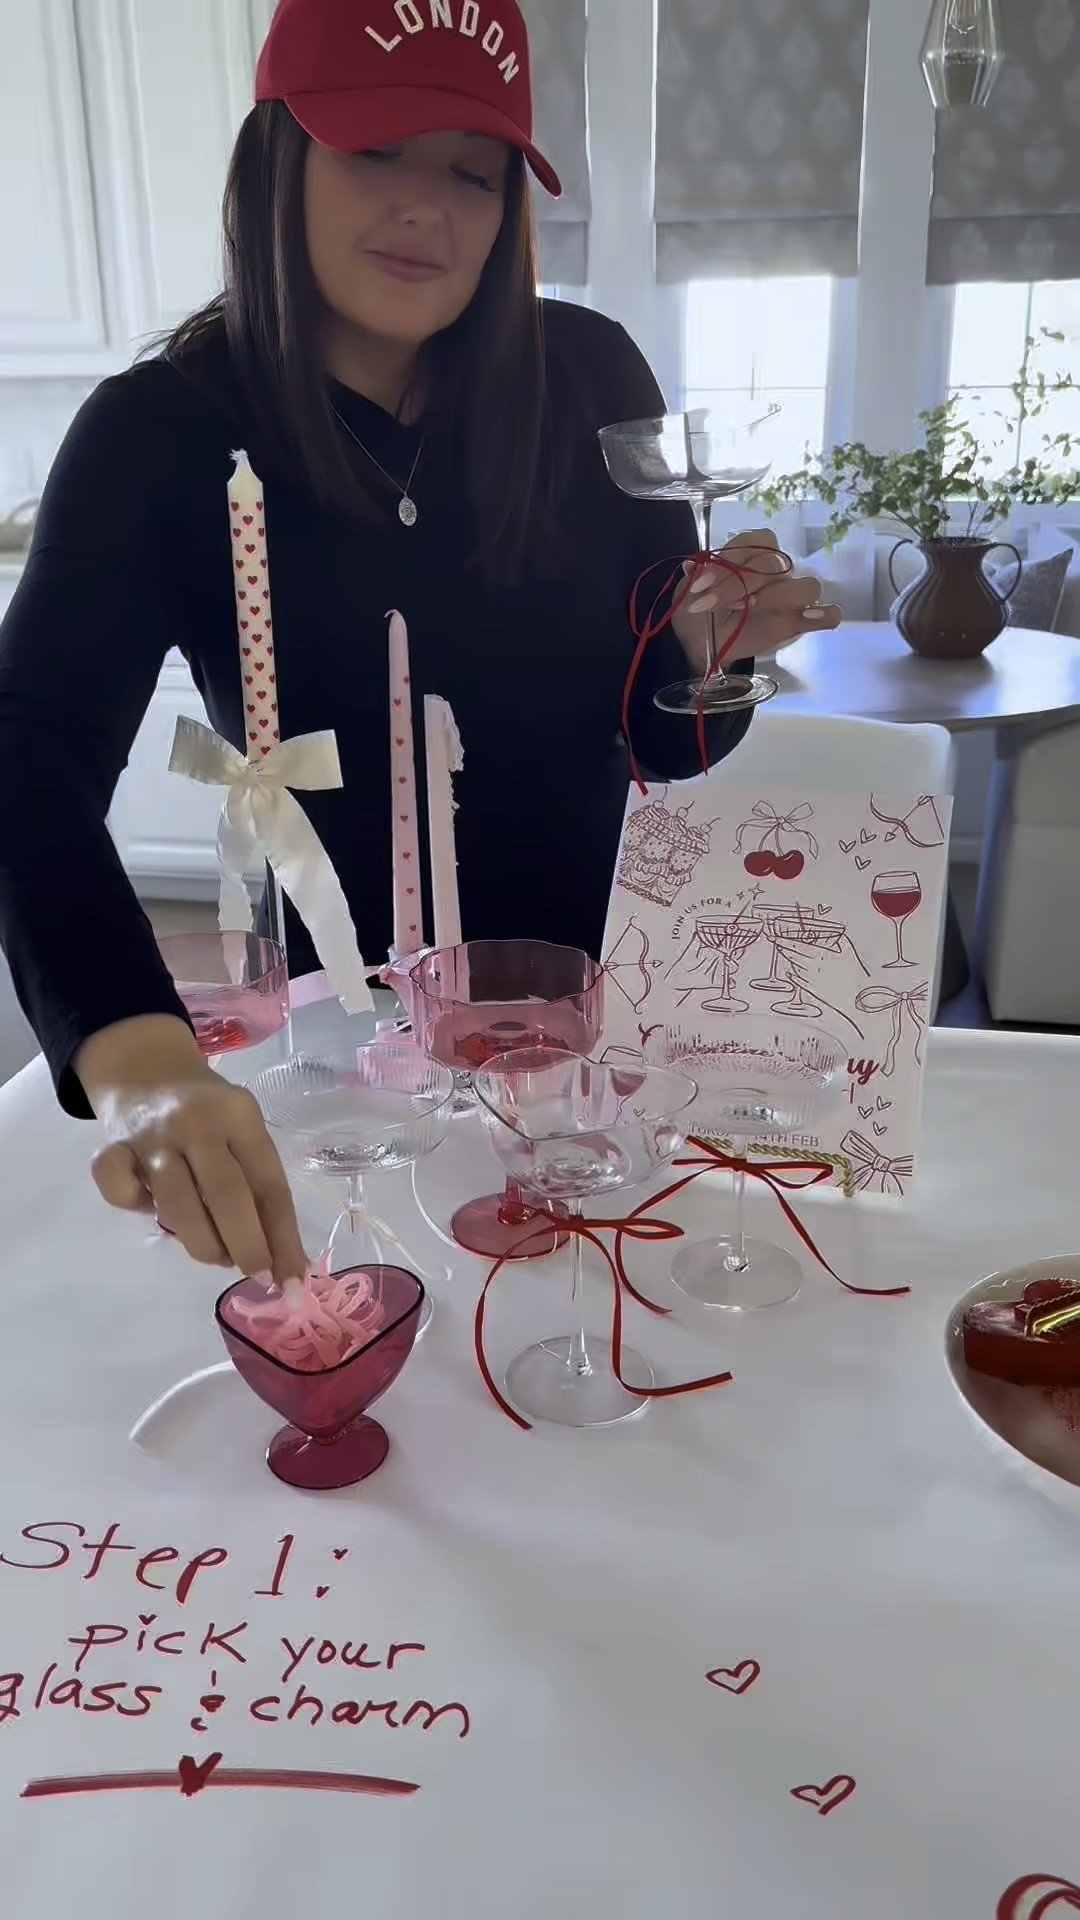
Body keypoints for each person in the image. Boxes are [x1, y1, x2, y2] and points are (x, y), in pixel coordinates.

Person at [0, 0, 839, 1286]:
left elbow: (660, 751)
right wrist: (139, 1058)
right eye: (375, 150)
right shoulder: (158, 434)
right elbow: (28, 759)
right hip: (341, 1055)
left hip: (589, 1049)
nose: (428, 210)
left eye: (473, 172)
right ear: (277, 156)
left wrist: (693, 665)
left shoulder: (593, 380)